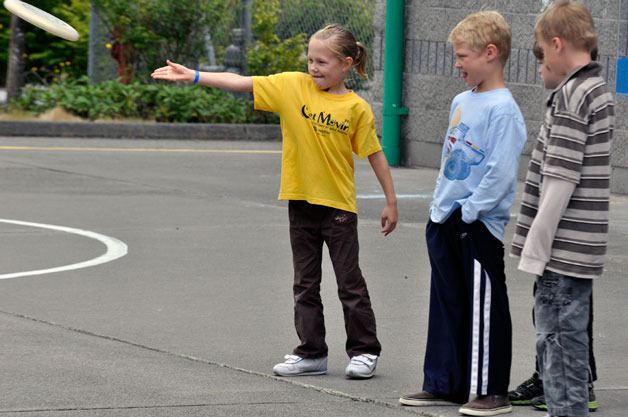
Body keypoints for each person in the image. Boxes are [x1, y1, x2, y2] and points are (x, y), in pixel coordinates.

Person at [151, 24, 398, 379]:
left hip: (339, 209)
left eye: (323, 62)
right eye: (310, 59)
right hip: (300, 203)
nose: (314, 67)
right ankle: (312, 353)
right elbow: (242, 82)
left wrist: (391, 201)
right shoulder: (291, 86)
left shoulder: (356, 108)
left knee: (350, 284)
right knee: (305, 284)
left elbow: (375, 154)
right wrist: (195, 76)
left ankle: (364, 351)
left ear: (345, 63)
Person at [399, 10, 527, 416]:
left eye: (462, 56)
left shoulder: (503, 109)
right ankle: (443, 383)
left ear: (490, 54)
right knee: (446, 302)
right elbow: (449, 158)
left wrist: (470, 212)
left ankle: (490, 390)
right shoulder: (461, 100)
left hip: (476, 224)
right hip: (444, 219)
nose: (456, 64)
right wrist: (440, 209)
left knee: (483, 307)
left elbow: (501, 172)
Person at [510, 0, 615, 416]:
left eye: (540, 51)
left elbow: (561, 177)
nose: (540, 63)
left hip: (562, 250)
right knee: (568, 341)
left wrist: (536, 246)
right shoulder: (598, 89)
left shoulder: (571, 95)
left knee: (555, 341)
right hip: (580, 248)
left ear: (556, 45)